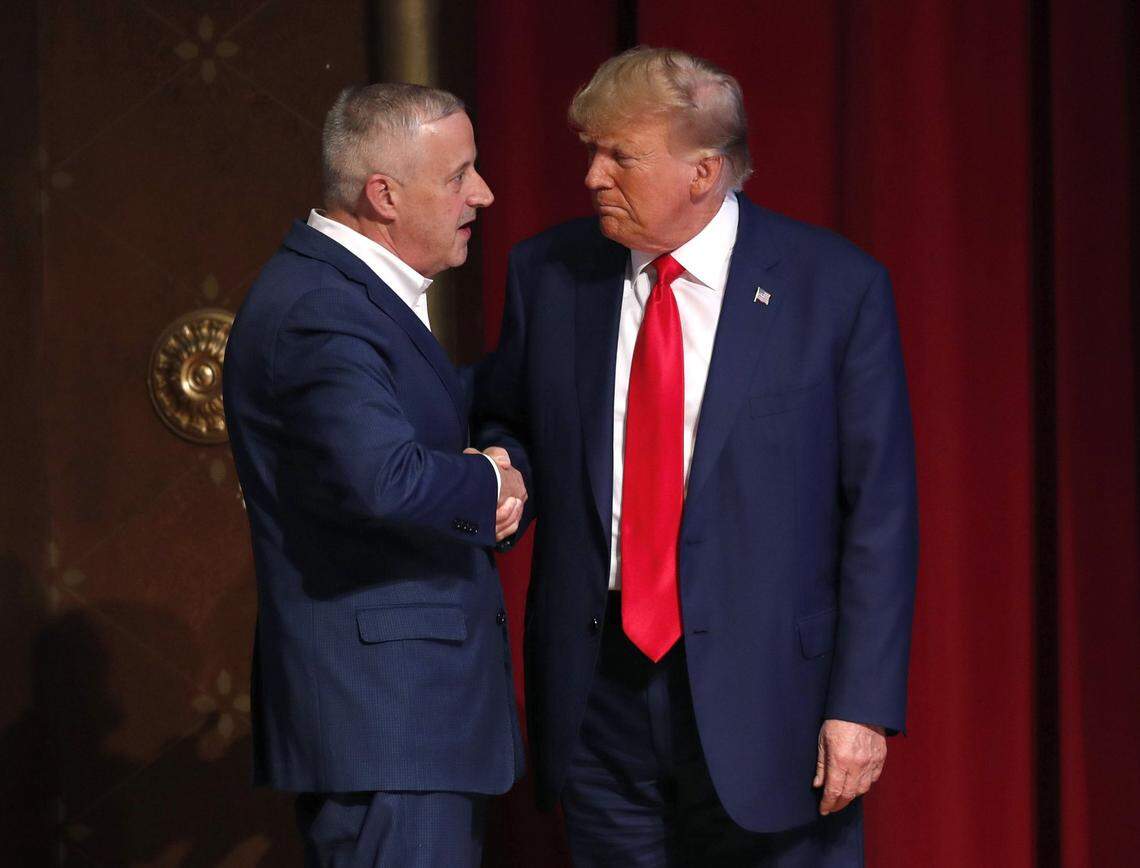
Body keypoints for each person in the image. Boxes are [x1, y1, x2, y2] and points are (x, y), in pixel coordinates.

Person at [476, 47, 918, 866]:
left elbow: (881, 513)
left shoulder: (834, 289)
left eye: (619, 156)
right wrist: (503, 466)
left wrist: (862, 705)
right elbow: (514, 420)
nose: (592, 177)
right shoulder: (549, 274)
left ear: (704, 171)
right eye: (590, 152)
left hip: (776, 703)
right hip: (601, 691)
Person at [223, 83, 527, 868]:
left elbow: (419, 423)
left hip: (405, 731)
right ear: (384, 195)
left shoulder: (351, 296)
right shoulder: (323, 307)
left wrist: (498, 454)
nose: (483, 194)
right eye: (459, 174)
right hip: (388, 728)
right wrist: (490, 485)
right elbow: (383, 477)